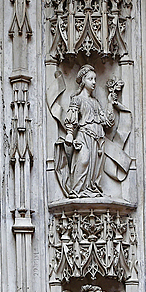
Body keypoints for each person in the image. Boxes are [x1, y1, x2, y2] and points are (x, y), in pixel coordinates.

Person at [56, 64, 115, 198]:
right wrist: (70, 134)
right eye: (90, 79)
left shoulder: (95, 102)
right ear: (83, 80)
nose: (94, 82)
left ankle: (91, 189)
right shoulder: (77, 99)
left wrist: (110, 103)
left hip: (98, 140)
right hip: (84, 136)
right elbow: (71, 118)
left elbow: (107, 122)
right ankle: (76, 190)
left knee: (94, 170)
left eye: (95, 79)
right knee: (83, 161)